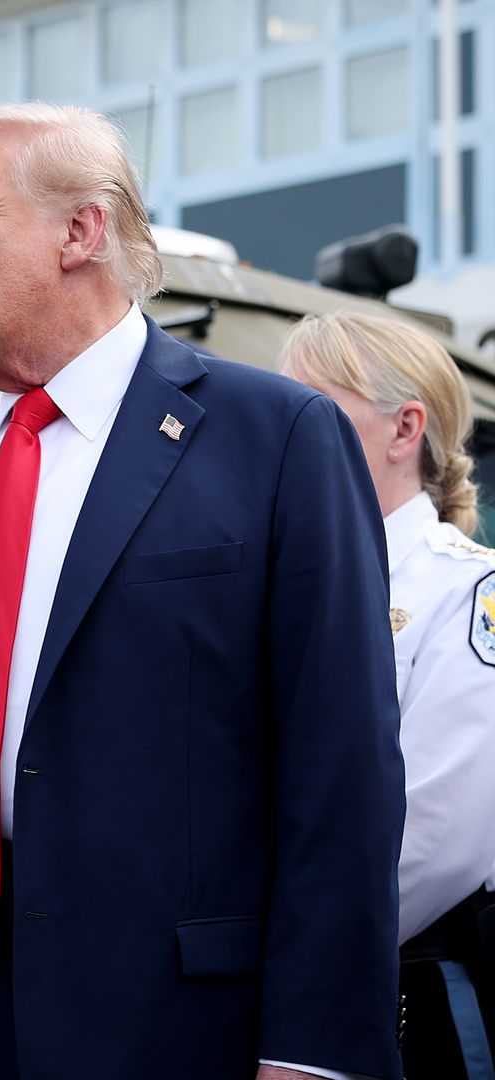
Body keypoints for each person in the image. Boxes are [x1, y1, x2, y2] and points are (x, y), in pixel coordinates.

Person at [0, 102, 403, 1079]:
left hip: (158, 1018)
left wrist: (315, 1053)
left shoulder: (274, 438)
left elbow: (339, 768)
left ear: (81, 230)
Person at [280, 311, 495, 1079]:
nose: (283, 433)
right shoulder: (281, 581)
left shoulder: (467, 589)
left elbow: (432, 839)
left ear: (405, 429)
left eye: (310, 411)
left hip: (392, 1007)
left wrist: (279, 972)